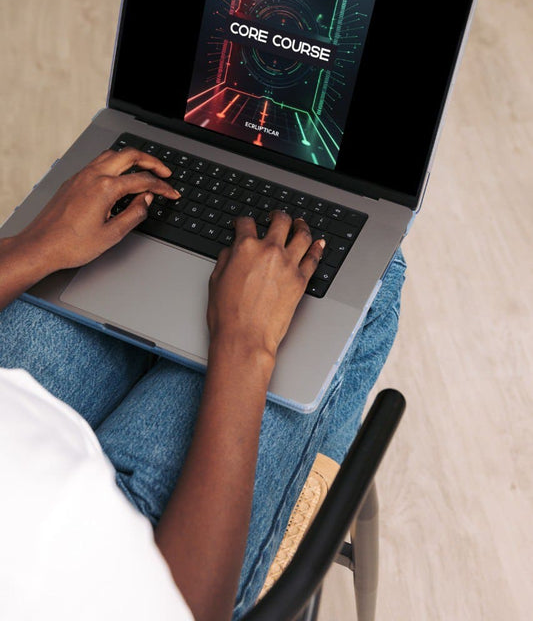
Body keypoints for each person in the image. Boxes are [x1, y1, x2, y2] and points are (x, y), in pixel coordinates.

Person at [0, 146, 406, 621]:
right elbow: (183, 605)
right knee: (370, 271)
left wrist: (37, 246)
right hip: (118, 561)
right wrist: (244, 343)